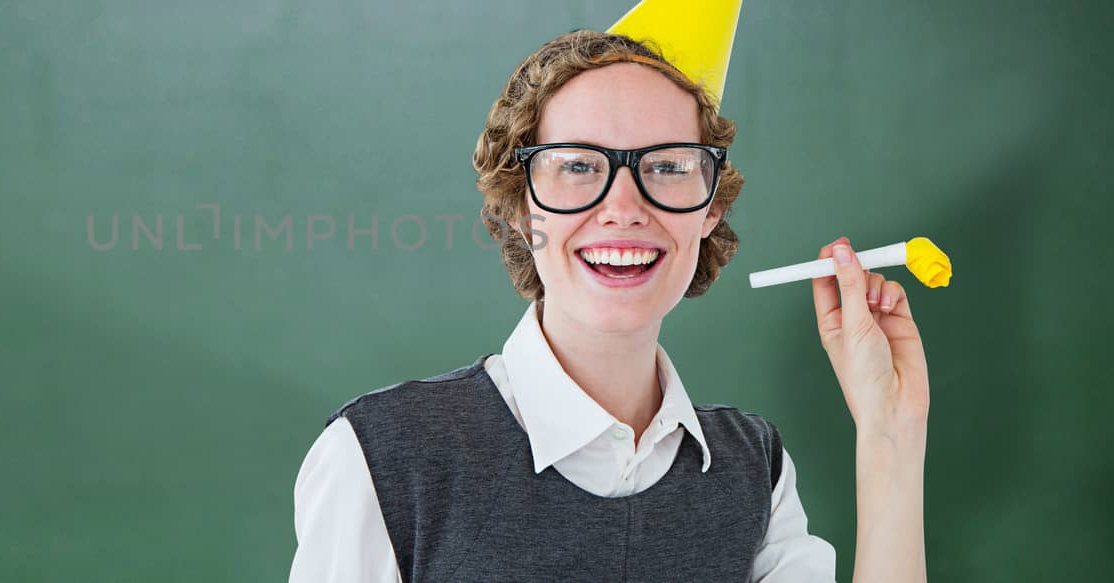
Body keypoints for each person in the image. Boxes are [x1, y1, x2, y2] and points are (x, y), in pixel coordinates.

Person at [287, 28, 929, 581]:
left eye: (669, 166)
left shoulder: (751, 469)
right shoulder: (382, 460)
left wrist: (890, 430)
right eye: (577, 166)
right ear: (519, 205)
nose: (623, 208)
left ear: (711, 210)